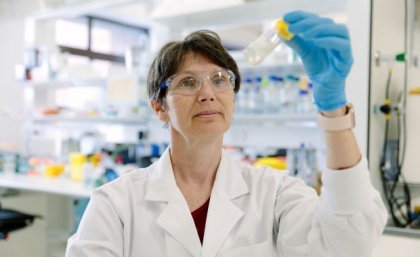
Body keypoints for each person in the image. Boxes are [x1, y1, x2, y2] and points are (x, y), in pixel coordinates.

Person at [66, 11, 387, 257]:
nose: (207, 93)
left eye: (219, 80)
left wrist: (333, 108)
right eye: (188, 83)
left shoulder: (274, 194)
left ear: (232, 97)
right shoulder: (116, 204)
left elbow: (348, 244)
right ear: (159, 107)